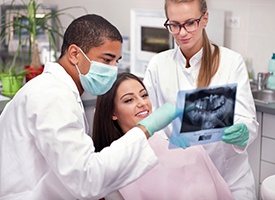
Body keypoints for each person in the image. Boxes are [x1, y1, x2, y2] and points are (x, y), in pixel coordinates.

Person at [0, 14, 177, 200]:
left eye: (116, 61)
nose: (113, 69)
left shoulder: (61, 92)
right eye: (107, 60)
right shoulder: (51, 95)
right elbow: (86, 179)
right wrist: (145, 129)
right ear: (75, 54)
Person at [143, 0, 259, 199]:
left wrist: (242, 131)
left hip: (230, 178)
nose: (182, 33)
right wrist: (166, 142)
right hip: (181, 178)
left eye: (190, 23)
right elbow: (149, 119)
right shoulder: (158, 64)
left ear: (205, 19)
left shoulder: (231, 62)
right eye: (174, 25)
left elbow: (246, 119)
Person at [92, 72, 235, 200]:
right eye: (129, 100)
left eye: (144, 95)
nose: (142, 103)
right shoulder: (114, 163)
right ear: (113, 113)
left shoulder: (172, 144)